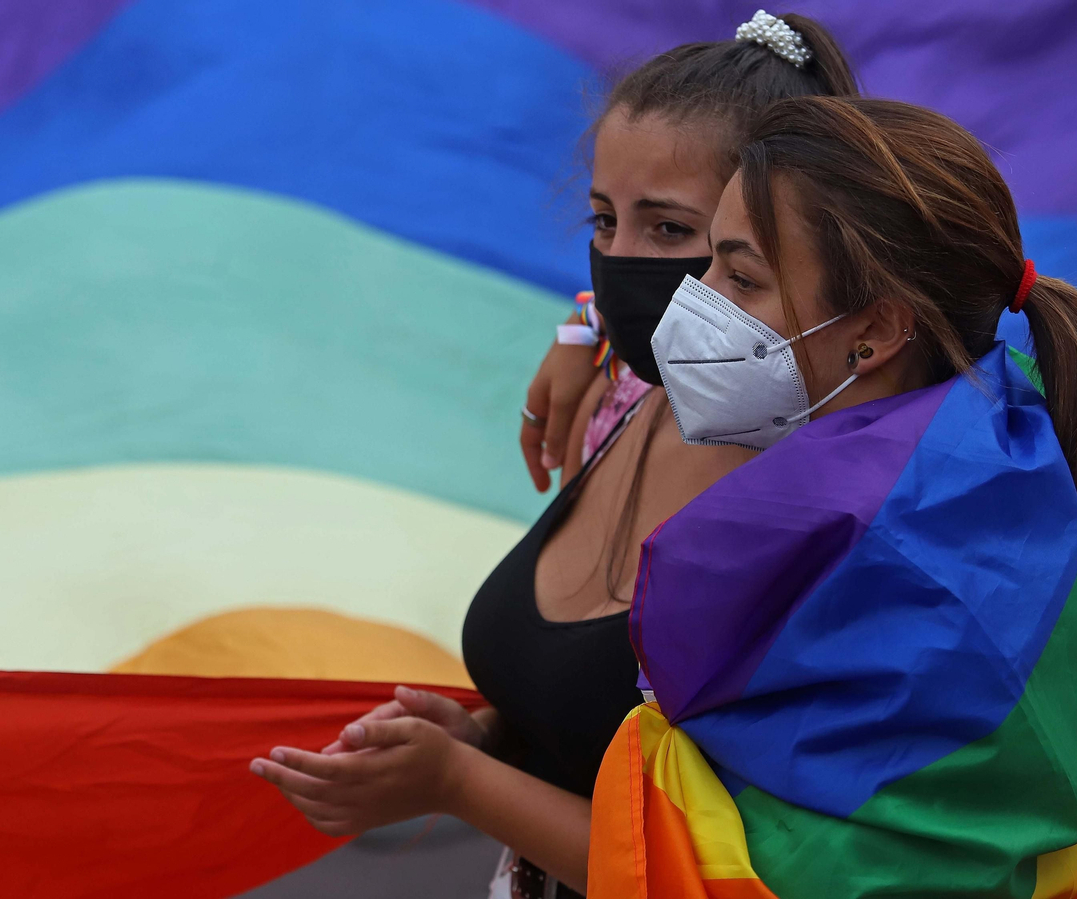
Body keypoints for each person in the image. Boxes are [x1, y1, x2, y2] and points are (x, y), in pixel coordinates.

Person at [250, 12, 857, 896]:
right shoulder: (627, 393)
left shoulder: (835, 510)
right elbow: (614, 716)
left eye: (668, 230)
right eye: (604, 220)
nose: (618, 261)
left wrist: (456, 782)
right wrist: (498, 734)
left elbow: (736, 871)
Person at [589, 96, 1077, 895]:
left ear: (877, 332)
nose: (700, 299)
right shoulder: (1002, 433)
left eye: (742, 276)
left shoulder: (836, 536)